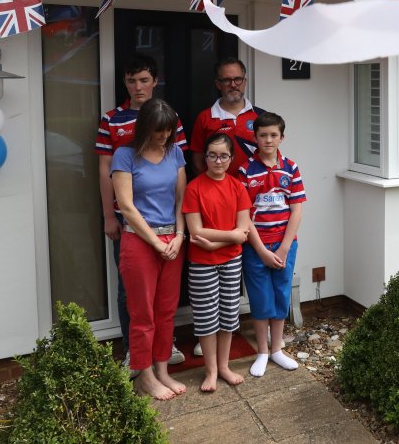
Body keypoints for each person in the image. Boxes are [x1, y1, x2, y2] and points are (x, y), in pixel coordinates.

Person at [96, 54, 187, 370]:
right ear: (125, 82)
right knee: (131, 293)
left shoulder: (170, 121)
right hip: (132, 224)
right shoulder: (112, 121)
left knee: (163, 300)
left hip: (168, 226)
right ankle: (135, 354)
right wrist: (110, 214)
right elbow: (105, 168)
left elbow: (177, 177)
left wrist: (182, 231)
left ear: (154, 81)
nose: (138, 86)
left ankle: (162, 349)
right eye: (132, 80)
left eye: (144, 80)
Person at [111, 98, 188, 401]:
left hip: (173, 241)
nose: (164, 137)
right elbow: (127, 207)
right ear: (144, 127)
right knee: (141, 312)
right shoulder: (125, 155)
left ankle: (162, 369)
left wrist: (180, 236)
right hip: (140, 241)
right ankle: (144, 375)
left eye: (168, 131)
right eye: (158, 131)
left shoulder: (176, 153)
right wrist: (157, 243)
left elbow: (182, 200)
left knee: (167, 310)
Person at [183, 133, 251, 392]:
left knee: (227, 315)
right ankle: (210, 371)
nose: (218, 160)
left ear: (231, 158)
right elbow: (196, 231)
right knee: (206, 318)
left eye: (223, 155)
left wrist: (216, 242)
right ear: (205, 157)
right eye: (212, 155)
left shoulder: (237, 187)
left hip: (231, 261)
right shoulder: (194, 188)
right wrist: (230, 237)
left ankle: (224, 366)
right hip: (202, 263)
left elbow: (243, 230)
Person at [239, 111, 306, 377]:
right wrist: (261, 250)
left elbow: (297, 210)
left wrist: (284, 247)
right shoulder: (245, 170)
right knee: (260, 296)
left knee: (281, 293)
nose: (268, 140)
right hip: (256, 246)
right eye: (263, 135)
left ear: (282, 137)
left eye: (273, 135)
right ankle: (262, 352)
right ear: (255, 138)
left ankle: (277, 349)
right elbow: (243, 216)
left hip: (285, 245)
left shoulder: (291, 167)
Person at [190, 57, 264, 177]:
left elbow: (270, 155)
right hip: (218, 191)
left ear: (244, 82)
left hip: (254, 190)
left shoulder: (261, 116)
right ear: (218, 84)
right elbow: (198, 162)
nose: (233, 85)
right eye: (227, 80)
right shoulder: (205, 118)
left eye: (237, 79)